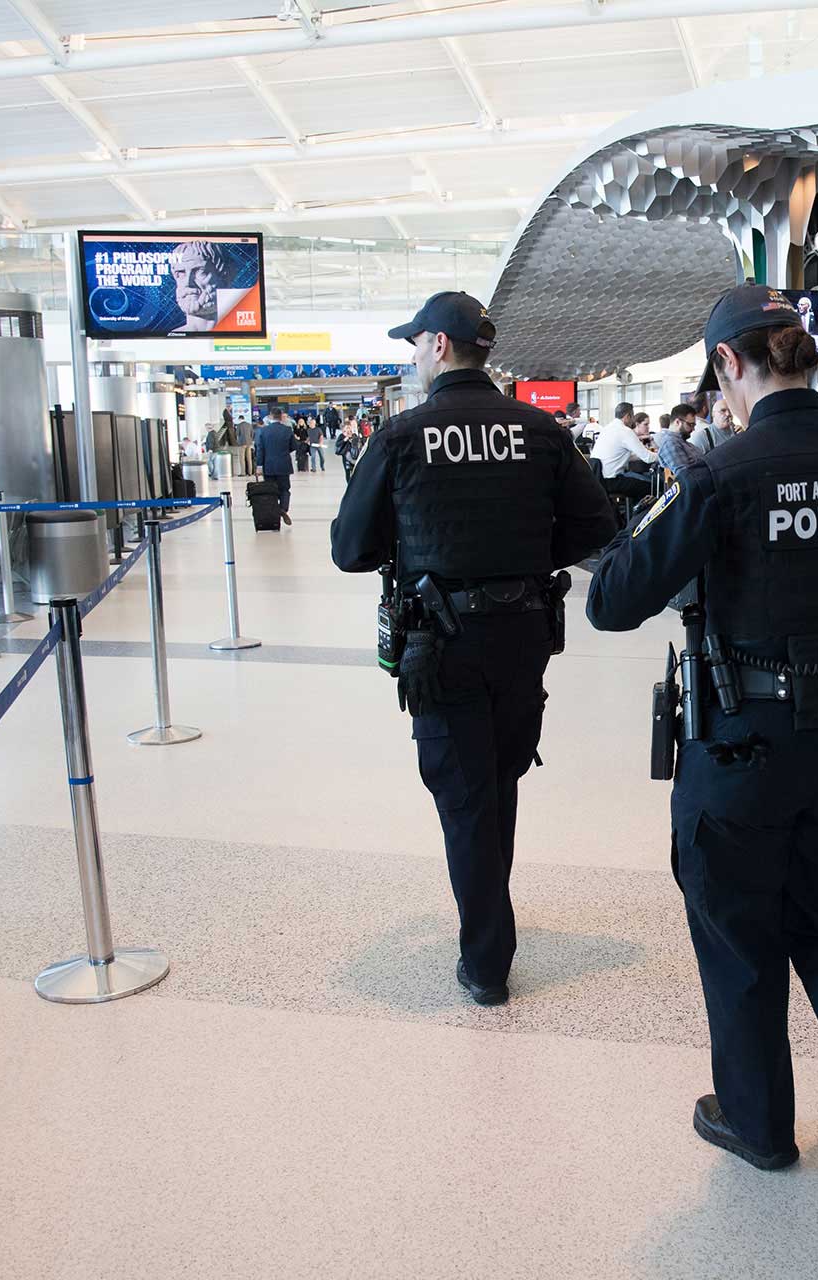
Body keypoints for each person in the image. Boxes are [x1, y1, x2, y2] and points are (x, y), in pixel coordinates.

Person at [587, 284, 818, 1213]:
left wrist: (684, 497)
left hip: (745, 745)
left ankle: (760, 1124)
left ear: (729, 366)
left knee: (740, 937)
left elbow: (610, 599)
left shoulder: (719, 474)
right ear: (808, 358)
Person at [331, 291, 617, 1006]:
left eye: (414, 345)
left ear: (436, 345)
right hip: (523, 633)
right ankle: (492, 924)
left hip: (442, 638)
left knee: (465, 798)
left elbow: (350, 549)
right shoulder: (539, 429)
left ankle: (487, 961)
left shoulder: (402, 436)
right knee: (499, 780)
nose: (414, 356)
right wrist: (522, 562)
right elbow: (595, 527)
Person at [591, 398, 655, 501]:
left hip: (599, 479)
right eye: (632, 417)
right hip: (613, 481)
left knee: (639, 482)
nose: (633, 421)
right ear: (627, 416)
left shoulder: (606, 428)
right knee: (653, 487)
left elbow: (620, 456)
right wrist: (664, 454)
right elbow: (648, 458)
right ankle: (640, 515)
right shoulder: (625, 431)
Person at [253, 408, 298, 523]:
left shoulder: (263, 431)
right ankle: (283, 509)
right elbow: (294, 446)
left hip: (268, 466)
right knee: (285, 489)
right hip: (284, 465)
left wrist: (259, 466)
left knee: (270, 490)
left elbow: (260, 450)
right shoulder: (287, 430)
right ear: (281, 417)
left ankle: (272, 513)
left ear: (270, 417)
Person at [655, 402, 701, 474]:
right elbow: (685, 476)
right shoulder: (670, 443)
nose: (693, 429)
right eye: (691, 425)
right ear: (677, 422)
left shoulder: (682, 442)